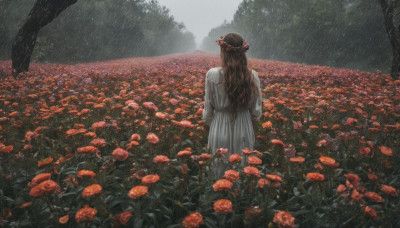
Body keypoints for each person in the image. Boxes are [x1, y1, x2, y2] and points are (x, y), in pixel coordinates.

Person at [202, 33, 262, 179]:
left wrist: (213, 125)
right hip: (244, 125)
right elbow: (256, 113)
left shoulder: (212, 74)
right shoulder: (252, 76)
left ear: (223, 51)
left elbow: (208, 113)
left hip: (219, 124)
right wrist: (249, 125)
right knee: (243, 170)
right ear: (243, 52)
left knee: (219, 170)